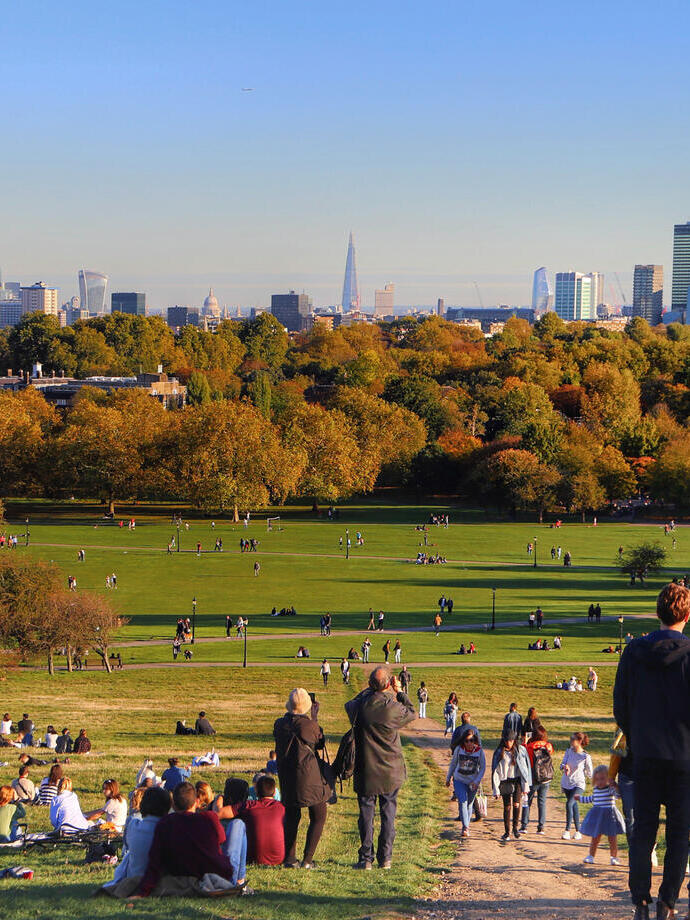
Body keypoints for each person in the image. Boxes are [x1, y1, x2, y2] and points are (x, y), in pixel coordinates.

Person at [613, 583, 690, 919]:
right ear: (687, 615)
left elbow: (620, 705)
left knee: (643, 831)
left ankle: (641, 901)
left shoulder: (633, 652)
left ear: (657, 613)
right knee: (678, 834)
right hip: (685, 756)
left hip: (644, 753)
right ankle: (668, 902)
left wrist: (636, 732)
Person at [345, 667, 415, 870]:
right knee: (388, 814)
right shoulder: (391, 707)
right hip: (390, 768)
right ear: (387, 685)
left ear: (369, 684)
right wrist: (399, 691)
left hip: (366, 767)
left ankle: (366, 858)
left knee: (366, 815)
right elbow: (411, 712)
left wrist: (370, 690)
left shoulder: (360, 706)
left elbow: (349, 704)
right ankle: (386, 858)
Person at [137, 781, 247, 896]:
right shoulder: (209, 818)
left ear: (173, 804)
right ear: (197, 802)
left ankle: (238, 882)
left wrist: (143, 891)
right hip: (217, 876)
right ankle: (239, 881)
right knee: (238, 824)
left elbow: (155, 861)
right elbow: (222, 839)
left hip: (182, 873)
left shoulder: (166, 823)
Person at [273, 688, 331, 869]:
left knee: (291, 816)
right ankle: (307, 859)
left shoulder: (279, 724)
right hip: (308, 775)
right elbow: (319, 742)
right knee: (318, 814)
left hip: (287, 775)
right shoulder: (309, 725)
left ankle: (289, 858)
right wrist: (314, 718)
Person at [108, 786, 172, 886]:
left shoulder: (133, 825)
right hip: (161, 881)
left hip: (133, 879)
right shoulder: (168, 829)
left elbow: (127, 844)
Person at [217, 774, 286, 866]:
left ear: (256, 791)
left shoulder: (248, 806)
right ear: (274, 793)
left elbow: (218, 814)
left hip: (252, 858)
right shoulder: (282, 807)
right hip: (279, 859)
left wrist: (219, 798)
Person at [576, 764, 625, 865]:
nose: (599, 782)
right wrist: (580, 798)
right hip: (598, 816)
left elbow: (618, 796)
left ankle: (614, 857)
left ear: (608, 778)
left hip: (610, 816)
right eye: (597, 779)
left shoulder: (610, 789)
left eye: (602, 779)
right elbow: (591, 798)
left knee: (612, 838)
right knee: (595, 837)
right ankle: (591, 856)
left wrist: (615, 786)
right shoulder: (596, 789)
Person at [491, 732, 531, 841]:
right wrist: (496, 788)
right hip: (505, 781)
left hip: (517, 780)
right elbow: (496, 772)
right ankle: (507, 831)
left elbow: (524, 770)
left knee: (517, 804)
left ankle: (515, 829)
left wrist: (525, 785)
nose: (509, 743)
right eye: (507, 741)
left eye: (511, 741)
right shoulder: (499, 752)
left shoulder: (519, 751)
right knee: (507, 806)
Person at [446, 729, 485, 836]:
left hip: (473, 782)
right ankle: (465, 827)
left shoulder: (479, 751)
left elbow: (482, 768)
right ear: (463, 741)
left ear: (475, 741)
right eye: (467, 741)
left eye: (471, 741)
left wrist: (476, 781)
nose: (469, 743)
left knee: (469, 804)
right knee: (462, 802)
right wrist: (448, 778)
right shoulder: (459, 749)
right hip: (459, 780)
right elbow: (453, 764)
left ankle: (466, 824)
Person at [520, 724, 554, 834]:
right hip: (545, 777)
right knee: (542, 802)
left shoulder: (530, 746)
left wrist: (525, 742)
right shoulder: (548, 746)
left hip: (533, 777)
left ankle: (524, 825)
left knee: (527, 801)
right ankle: (541, 827)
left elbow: (524, 755)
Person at [560, 731, 592, 840]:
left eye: (572, 739)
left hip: (578, 784)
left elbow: (590, 773)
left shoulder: (585, 756)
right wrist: (565, 766)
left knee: (569, 803)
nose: (570, 741)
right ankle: (578, 831)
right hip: (567, 783)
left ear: (579, 742)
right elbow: (562, 764)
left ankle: (567, 830)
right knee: (574, 806)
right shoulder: (568, 751)